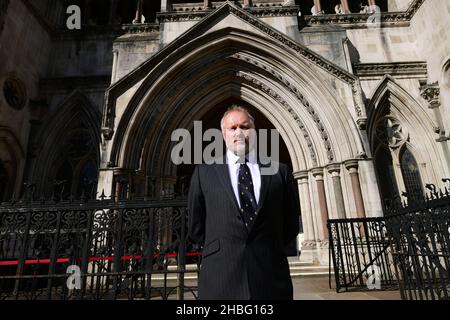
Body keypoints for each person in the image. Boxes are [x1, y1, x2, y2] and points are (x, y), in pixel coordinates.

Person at [188, 106, 301, 300]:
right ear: (224, 134)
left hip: (270, 276)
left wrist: (267, 246)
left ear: (254, 132)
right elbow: (195, 227)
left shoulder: (278, 171)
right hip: (221, 277)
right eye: (232, 128)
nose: (239, 132)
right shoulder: (204, 173)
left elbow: (290, 224)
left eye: (245, 127)